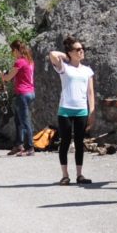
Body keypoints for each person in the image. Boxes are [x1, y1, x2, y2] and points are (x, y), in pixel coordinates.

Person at [47, 37, 96, 185]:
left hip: (81, 109)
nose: (81, 51)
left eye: (82, 49)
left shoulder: (87, 70)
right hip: (65, 110)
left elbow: (90, 93)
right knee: (65, 141)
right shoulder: (64, 68)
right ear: (70, 52)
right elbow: (52, 54)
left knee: (80, 142)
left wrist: (92, 111)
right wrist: (66, 56)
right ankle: (65, 175)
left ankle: (80, 175)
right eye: (77, 49)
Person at [2, 38, 35, 156]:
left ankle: (30, 148)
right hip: (30, 92)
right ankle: (18, 145)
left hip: (22, 94)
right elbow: (19, 76)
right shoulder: (29, 61)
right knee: (18, 120)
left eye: (12, 51)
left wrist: (1, 75)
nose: (12, 54)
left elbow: (8, 77)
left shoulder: (19, 61)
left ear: (16, 50)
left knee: (25, 121)